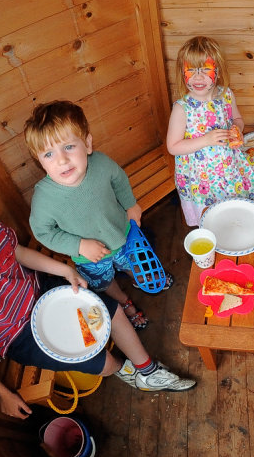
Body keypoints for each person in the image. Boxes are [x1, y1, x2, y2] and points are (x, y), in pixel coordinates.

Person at [0, 171, 195, 419]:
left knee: (106, 309)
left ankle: (146, 371)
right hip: (17, 336)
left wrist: (63, 270)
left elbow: (18, 253)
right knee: (92, 356)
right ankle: (122, 370)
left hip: (39, 292)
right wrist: (3, 393)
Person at [24, 101, 175, 330]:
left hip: (122, 236)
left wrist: (130, 205)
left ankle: (142, 278)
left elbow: (119, 179)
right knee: (105, 283)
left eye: (68, 147)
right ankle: (125, 302)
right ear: (40, 161)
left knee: (132, 262)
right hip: (90, 258)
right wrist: (78, 245)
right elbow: (43, 232)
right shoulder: (44, 198)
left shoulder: (101, 163)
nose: (61, 160)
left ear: (87, 143)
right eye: (48, 154)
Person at [165, 35, 254, 226]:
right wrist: (205, 140)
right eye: (191, 70)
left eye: (206, 70)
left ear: (218, 70)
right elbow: (173, 147)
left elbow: (238, 119)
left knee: (235, 204)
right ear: (182, 73)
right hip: (202, 176)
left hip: (229, 166)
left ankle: (238, 225)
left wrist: (237, 130)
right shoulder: (182, 108)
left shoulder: (226, 95)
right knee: (213, 216)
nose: (199, 77)